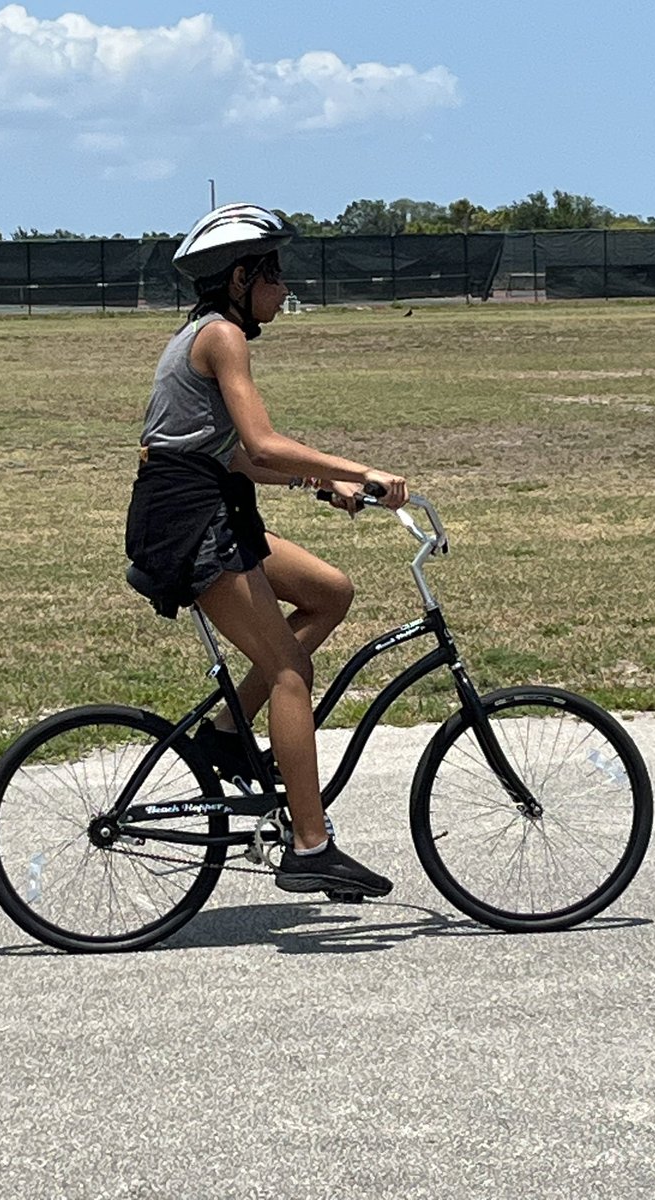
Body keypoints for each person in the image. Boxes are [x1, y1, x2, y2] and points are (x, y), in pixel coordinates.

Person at [125, 203, 410, 899]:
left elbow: (235, 457)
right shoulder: (222, 335)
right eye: (274, 276)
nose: (284, 290)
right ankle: (310, 847)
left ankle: (227, 734)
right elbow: (261, 442)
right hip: (191, 522)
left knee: (329, 592)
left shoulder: (204, 333)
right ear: (240, 278)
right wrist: (361, 468)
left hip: (210, 506)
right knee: (288, 670)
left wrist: (323, 484)